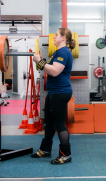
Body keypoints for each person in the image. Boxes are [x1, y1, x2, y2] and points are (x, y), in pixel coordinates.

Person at [31, 28, 75, 165]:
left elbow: (55, 71)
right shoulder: (57, 52)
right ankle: (45, 150)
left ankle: (65, 155)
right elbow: (47, 69)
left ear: (63, 38)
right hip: (54, 91)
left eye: (56, 35)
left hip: (60, 92)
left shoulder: (63, 52)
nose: (54, 37)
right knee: (49, 122)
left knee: (59, 123)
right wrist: (41, 62)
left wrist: (40, 62)